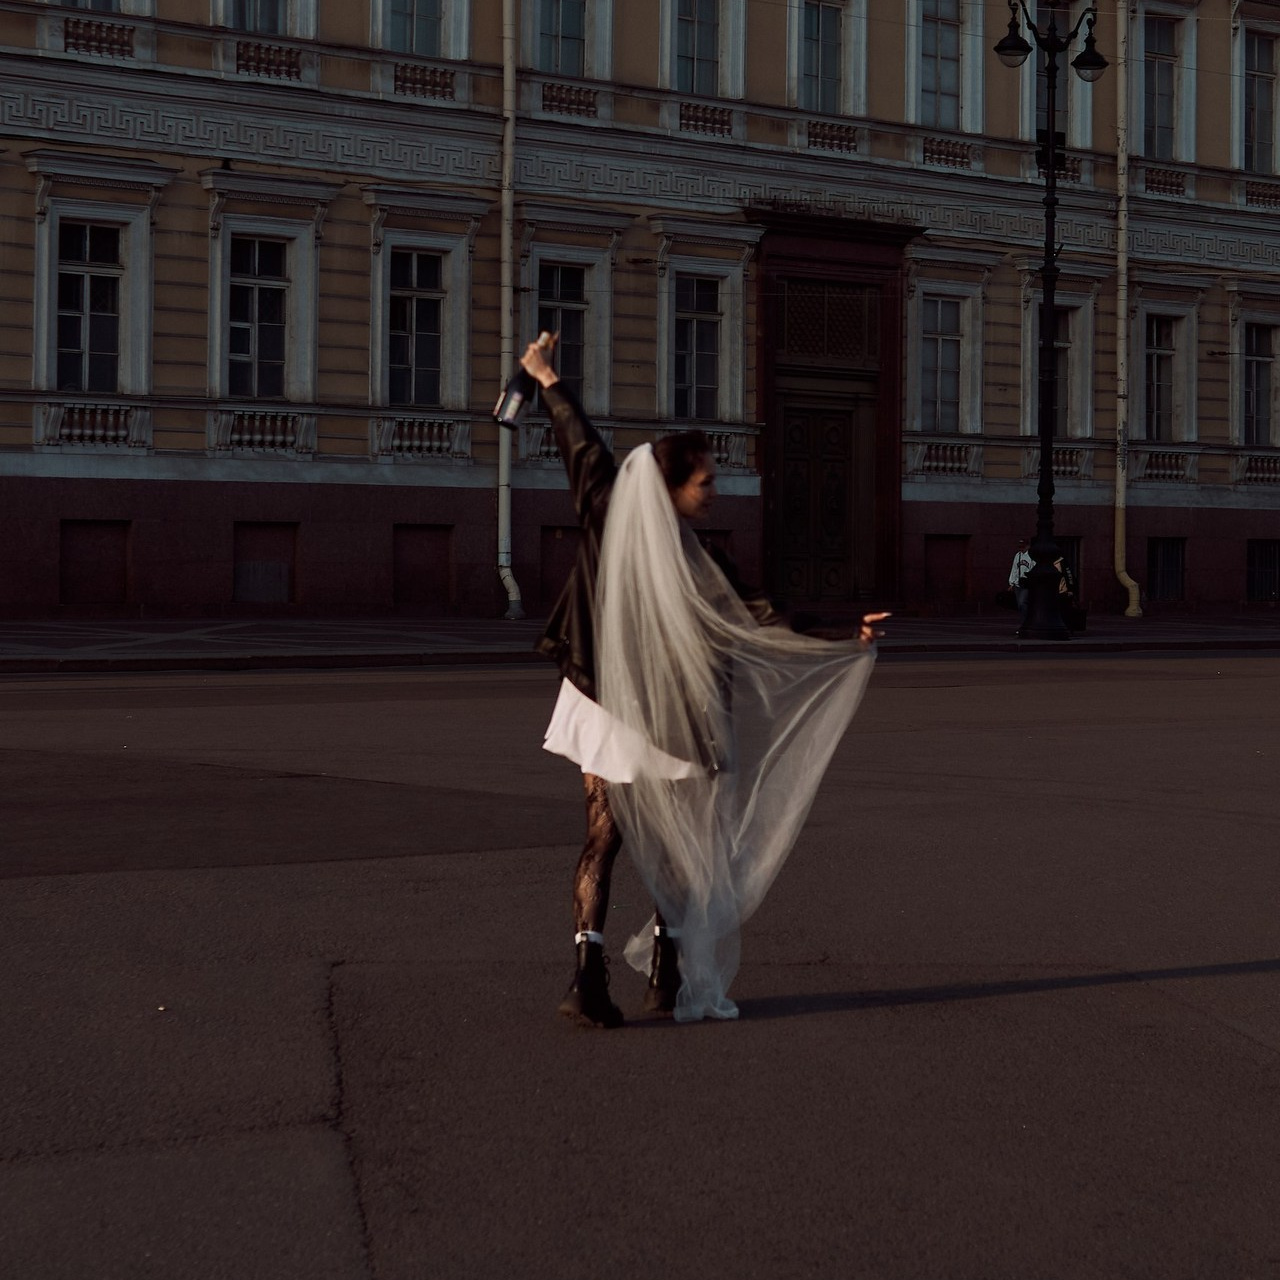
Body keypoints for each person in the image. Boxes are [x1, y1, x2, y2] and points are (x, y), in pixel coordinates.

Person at [525, 335, 885, 1027]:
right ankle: (665, 972)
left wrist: (544, 376)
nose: (716, 491)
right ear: (671, 488)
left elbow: (579, 440)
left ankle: (587, 979)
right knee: (676, 844)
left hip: (600, 703)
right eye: (705, 483)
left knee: (601, 841)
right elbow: (760, 614)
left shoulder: (604, 505)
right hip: (660, 713)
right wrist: (843, 634)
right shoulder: (697, 561)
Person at [1008, 538, 1034, 628]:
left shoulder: (1031, 556)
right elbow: (1014, 569)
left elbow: (1033, 568)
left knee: (1022, 603)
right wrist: (1012, 583)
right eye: (1020, 547)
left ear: (1028, 546)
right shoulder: (1018, 555)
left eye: (1023, 547)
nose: (1021, 549)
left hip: (1027, 583)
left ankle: (1025, 623)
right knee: (1020, 604)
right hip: (1018, 583)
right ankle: (1025, 622)